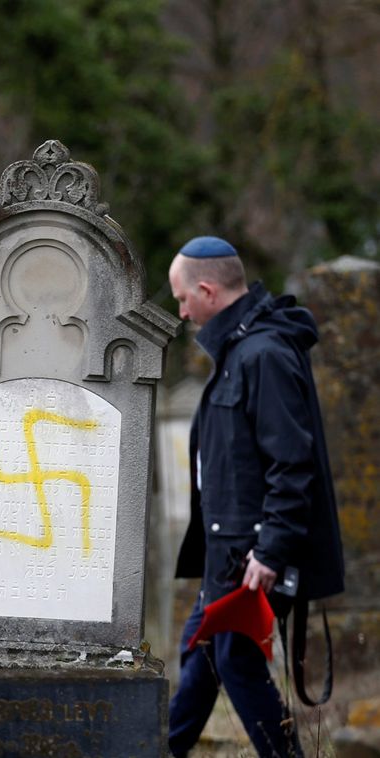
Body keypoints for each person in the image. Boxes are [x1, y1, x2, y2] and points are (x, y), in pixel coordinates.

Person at [166, 236, 345, 757]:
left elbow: (292, 462)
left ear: (206, 290)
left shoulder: (262, 354)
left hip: (250, 556)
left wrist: (270, 551)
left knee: (235, 663)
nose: (181, 312)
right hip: (228, 553)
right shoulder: (240, 350)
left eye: (182, 299)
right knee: (201, 656)